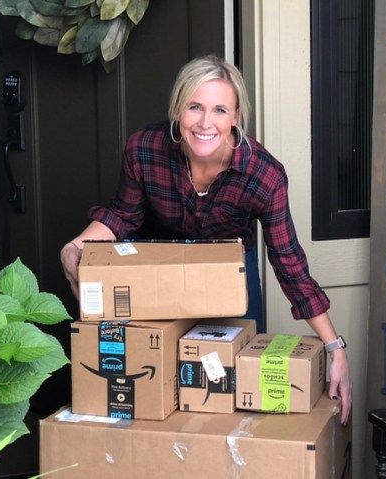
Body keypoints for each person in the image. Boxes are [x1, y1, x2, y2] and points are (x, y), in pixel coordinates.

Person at [60, 55, 351, 424]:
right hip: (158, 268)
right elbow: (123, 215)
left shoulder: (264, 175)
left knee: (226, 390)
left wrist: (334, 347)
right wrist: (75, 246)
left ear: (236, 116)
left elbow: (289, 262)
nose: (205, 122)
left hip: (227, 274)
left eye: (219, 110)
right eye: (194, 107)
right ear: (177, 108)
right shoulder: (144, 149)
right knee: (156, 391)